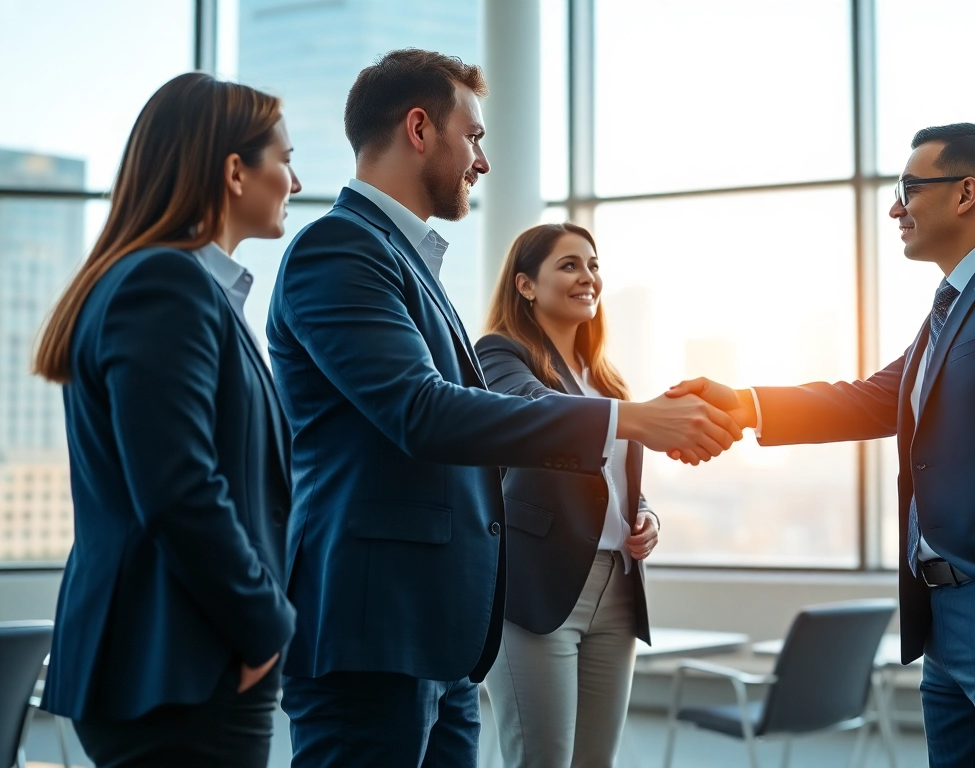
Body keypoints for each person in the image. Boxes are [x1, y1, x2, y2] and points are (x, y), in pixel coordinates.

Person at [267, 49, 739, 768]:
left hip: (438, 631)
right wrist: (626, 419)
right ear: (420, 129)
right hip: (377, 628)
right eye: (475, 136)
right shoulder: (338, 249)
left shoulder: (407, 261)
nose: (481, 160)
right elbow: (424, 414)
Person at [669, 123, 975, 767]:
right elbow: (874, 397)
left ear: (965, 193)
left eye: (908, 188)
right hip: (944, 616)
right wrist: (745, 403)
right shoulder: (947, 312)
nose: (895, 208)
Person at [33, 72, 301, 767]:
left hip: (181, 658)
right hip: (181, 660)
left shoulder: (178, 287)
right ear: (236, 172)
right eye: (286, 160)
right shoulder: (166, 283)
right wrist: (264, 625)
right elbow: (178, 485)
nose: (295, 183)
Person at [474, 223, 658, 767]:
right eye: (570, 265)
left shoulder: (607, 381)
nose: (588, 277)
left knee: (595, 762)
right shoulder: (501, 354)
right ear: (526, 285)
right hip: (540, 587)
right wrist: (643, 418)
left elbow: (618, 485)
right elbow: (531, 412)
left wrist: (644, 514)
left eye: (593, 265)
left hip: (618, 588)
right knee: (542, 759)